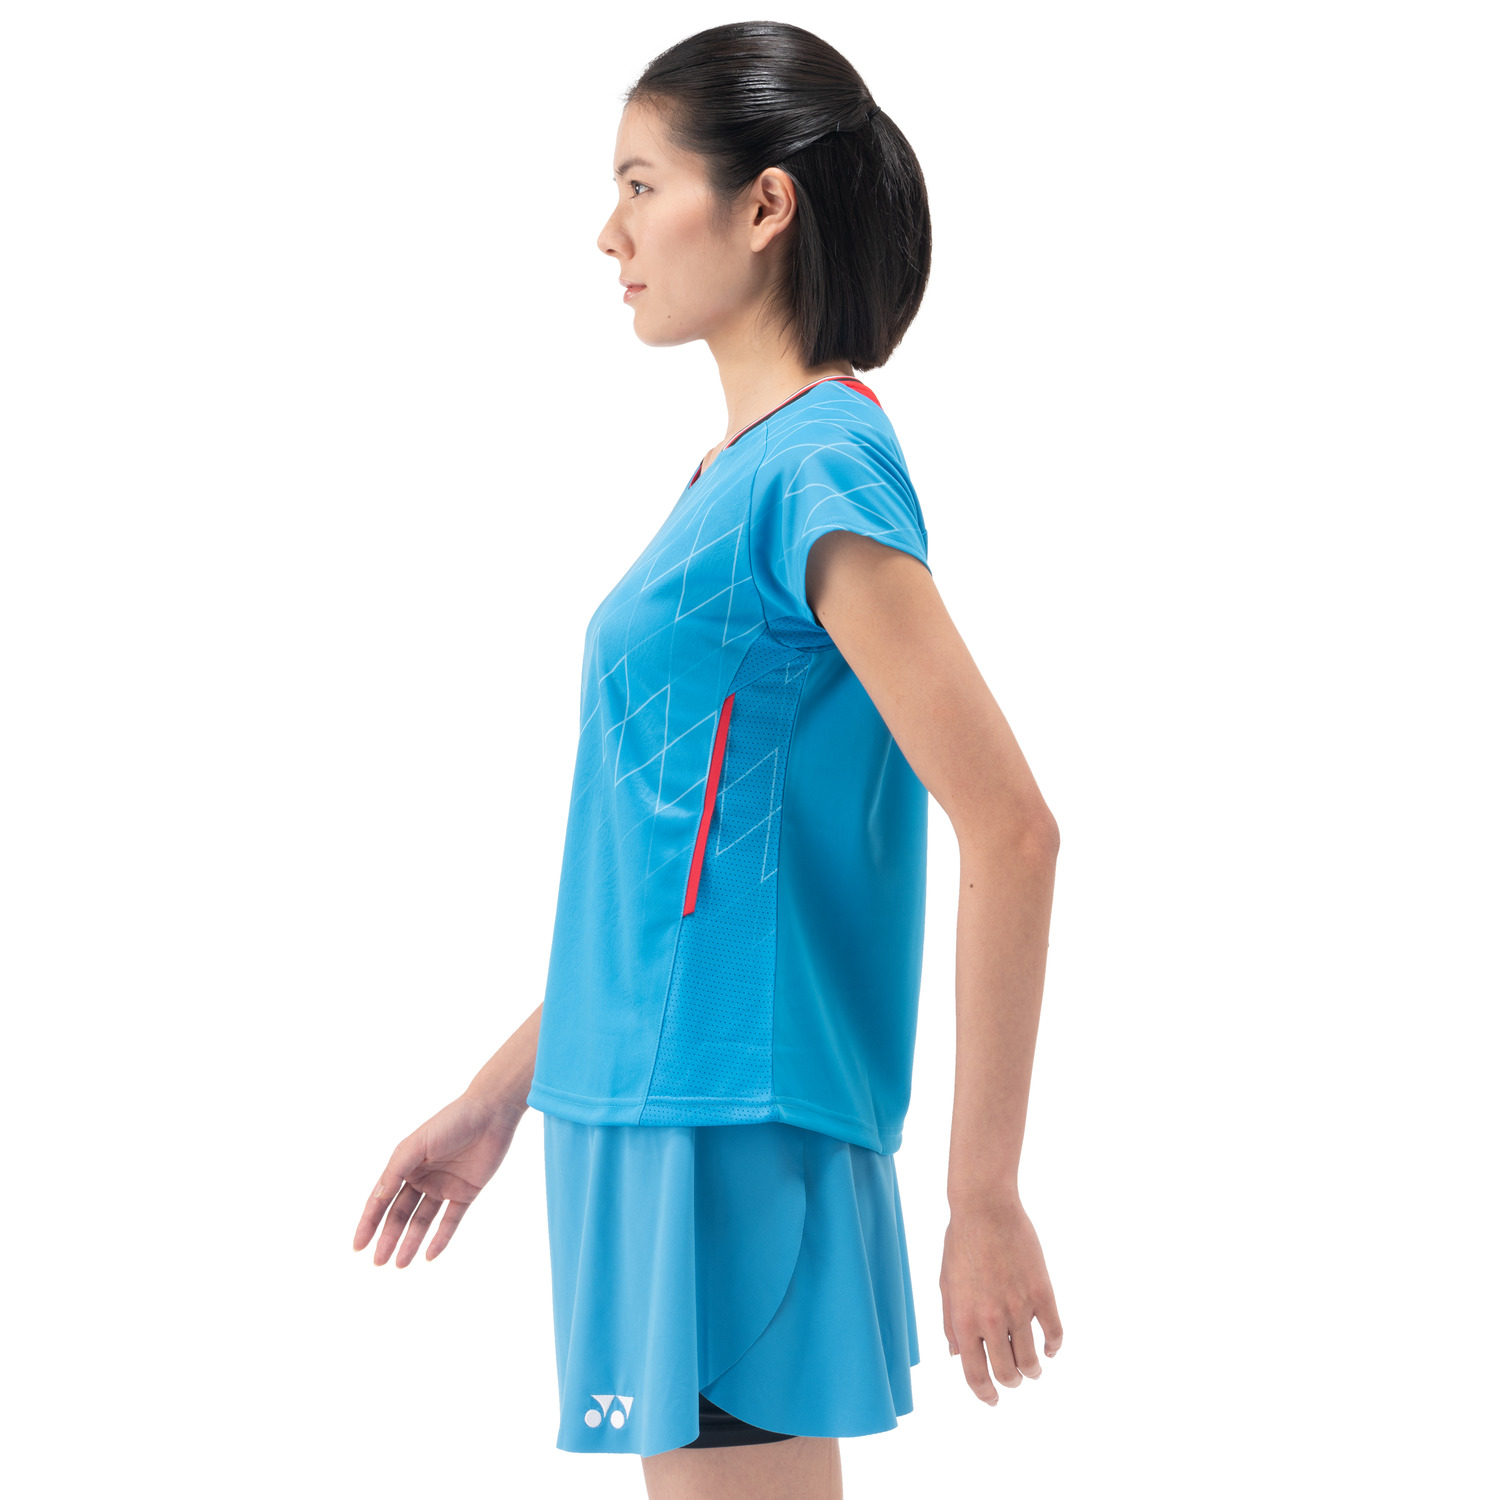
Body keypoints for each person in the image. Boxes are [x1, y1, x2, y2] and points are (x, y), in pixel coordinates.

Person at [352, 20, 1063, 1497]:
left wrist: (984, 1193)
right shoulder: (734, 477)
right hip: (638, 1110)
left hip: (730, 1123)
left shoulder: (819, 468)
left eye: (640, 184)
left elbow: (1011, 828)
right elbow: (679, 878)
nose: (607, 233)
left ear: (763, 205)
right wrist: (502, 1093)